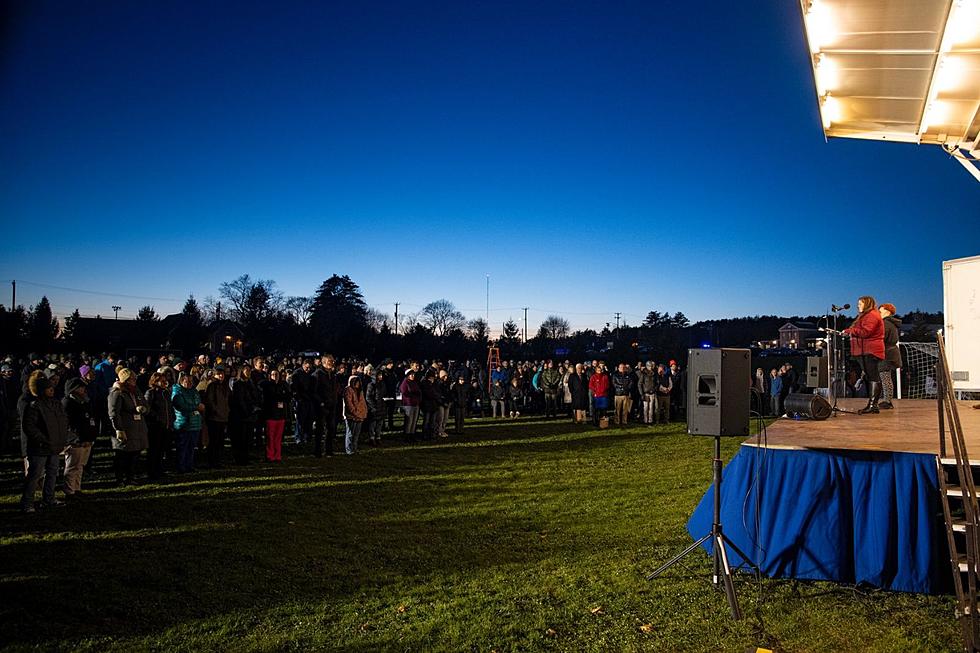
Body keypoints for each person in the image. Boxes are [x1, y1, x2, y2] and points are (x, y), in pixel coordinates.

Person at [20, 370, 70, 512]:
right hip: (39, 447)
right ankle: (27, 502)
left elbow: (63, 421)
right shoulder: (34, 406)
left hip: (54, 446)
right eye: (49, 388)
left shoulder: (56, 404)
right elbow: (29, 426)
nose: (52, 390)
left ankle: (49, 498)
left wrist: (61, 439)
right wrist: (43, 439)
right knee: (35, 475)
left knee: (52, 473)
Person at [844, 295, 886, 414]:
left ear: (867, 304)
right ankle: (873, 404)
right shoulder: (866, 315)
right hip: (865, 350)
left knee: (873, 376)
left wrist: (850, 331)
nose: (858, 306)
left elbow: (866, 332)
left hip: (870, 350)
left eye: (860, 304)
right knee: (870, 376)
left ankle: (873, 405)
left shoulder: (872, 315)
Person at [108, 368, 149, 485]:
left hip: (137, 428)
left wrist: (144, 409)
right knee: (122, 455)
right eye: (132, 378)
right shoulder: (117, 393)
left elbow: (145, 404)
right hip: (126, 428)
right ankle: (120, 478)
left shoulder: (136, 391)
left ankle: (131, 477)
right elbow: (114, 413)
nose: (134, 380)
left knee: (134, 454)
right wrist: (119, 429)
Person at [62, 377, 97, 498]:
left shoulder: (85, 401)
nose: (83, 389)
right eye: (81, 387)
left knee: (80, 465)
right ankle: (69, 490)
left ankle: (77, 488)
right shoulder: (68, 403)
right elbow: (68, 424)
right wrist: (76, 438)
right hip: (75, 440)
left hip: (86, 437)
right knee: (72, 466)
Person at [144, 371, 174, 480]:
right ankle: (152, 471)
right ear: (155, 381)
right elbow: (147, 408)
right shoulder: (150, 393)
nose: (164, 382)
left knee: (162, 449)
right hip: (155, 426)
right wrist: (157, 417)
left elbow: (169, 408)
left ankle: (160, 469)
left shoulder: (165, 393)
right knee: (153, 450)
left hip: (166, 425)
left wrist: (171, 419)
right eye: (162, 380)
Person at [171, 372, 203, 473]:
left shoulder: (194, 391)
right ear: (181, 381)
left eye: (191, 381)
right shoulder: (177, 392)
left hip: (195, 423)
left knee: (191, 447)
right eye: (186, 381)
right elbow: (181, 406)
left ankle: (189, 465)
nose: (189, 383)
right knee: (182, 447)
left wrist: (194, 406)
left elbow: (198, 402)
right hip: (183, 423)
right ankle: (180, 467)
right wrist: (195, 407)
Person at [230, 366, 261, 465]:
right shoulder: (238, 384)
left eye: (249, 370)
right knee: (241, 438)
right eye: (246, 370)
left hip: (250, 414)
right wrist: (248, 411)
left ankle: (246, 457)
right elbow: (239, 400)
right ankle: (240, 458)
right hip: (241, 415)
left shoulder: (250, 383)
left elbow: (254, 396)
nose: (248, 372)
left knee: (248, 438)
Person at [204, 365, 231, 467]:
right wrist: (216, 411)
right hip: (214, 417)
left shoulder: (224, 386)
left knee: (220, 441)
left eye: (222, 374)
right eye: (219, 374)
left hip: (223, 416)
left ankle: (218, 460)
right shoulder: (212, 386)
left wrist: (227, 411)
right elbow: (210, 401)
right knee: (214, 441)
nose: (221, 376)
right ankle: (212, 461)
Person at [878, 303, 902, 410]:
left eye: (880, 311)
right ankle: (887, 399)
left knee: (885, 377)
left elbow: (881, 338)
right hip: (890, 353)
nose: (878, 313)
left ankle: (887, 401)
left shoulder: (885, 324)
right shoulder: (890, 323)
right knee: (885, 377)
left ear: (887, 312)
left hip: (887, 354)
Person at [260, 369, 288, 461]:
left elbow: (287, 396)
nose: (275, 376)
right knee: (270, 437)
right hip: (270, 414)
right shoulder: (267, 385)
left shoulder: (283, 385)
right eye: (273, 374)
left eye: (276, 374)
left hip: (280, 414)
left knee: (278, 437)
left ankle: (277, 455)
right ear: (269, 375)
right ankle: (270, 455)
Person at [343, 375, 367, 454]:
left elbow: (363, 403)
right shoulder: (348, 390)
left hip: (359, 415)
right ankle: (349, 450)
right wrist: (354, 412)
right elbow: (349, 403)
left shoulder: (360, 391)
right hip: (351, 416)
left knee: (356, 434)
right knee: (350, 433)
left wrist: (363, 412)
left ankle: (355, 448)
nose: (357, 384)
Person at [364, 369, 385, 446]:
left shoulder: (382, 384)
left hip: (381, 406)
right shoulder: (371, 385)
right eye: (379, 375)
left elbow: (382, 394)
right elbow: (368, 397)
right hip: (374, 407)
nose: (381, 376)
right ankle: (372, 438)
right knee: (373, 423)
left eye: (381, 375)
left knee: (380, 423)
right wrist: (374, 406)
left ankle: (378, 437)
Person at [399, 369, 421, 440]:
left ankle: (412, 434)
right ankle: (407, 435)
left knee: (414, 420)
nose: (413, 376)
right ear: (408, 375)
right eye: (411, 374)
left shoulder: (414, 382)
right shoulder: (405, 382)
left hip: (416, 403)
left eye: (413, 374)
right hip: (409, 404)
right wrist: (413, 394)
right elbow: (404, 392)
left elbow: (418, 391)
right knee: (409, 420)